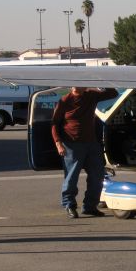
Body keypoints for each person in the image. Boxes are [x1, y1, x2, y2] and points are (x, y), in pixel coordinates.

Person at [52, 87, 118, 218]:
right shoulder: (65, 100)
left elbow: (113, 93)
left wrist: (99, 84)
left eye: (82, 83)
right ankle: (69, 205)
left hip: (91, 143)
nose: (79, 86)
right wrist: (58, 143)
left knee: (97, 175)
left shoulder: (91, 95)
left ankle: (90, 206)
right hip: (71, 144)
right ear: (72, 86)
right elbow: (54, 124)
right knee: (71, 177)